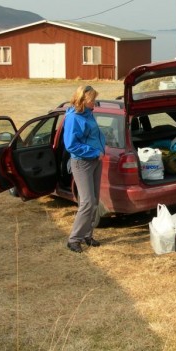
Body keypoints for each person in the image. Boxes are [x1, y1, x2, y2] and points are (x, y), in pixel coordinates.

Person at [63, 85, 106, 253]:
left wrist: (102, 149)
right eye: (92, 100)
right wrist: (95, 152)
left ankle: (87, 235)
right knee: (87, 201)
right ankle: (73, 239)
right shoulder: (74, 118)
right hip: (83, 163)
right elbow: (71, 145)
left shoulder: (88, 113)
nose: (95, 102)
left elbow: (94, 135)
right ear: (83, 100)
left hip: (95, 160)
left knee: (94, 201)